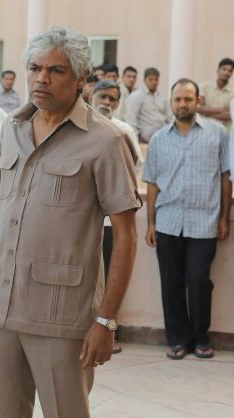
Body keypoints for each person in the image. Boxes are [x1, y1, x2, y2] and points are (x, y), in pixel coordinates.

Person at [0, 27, 141, 418]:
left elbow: (126, 236)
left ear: (80, 79)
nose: (42, 78)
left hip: (63, 317)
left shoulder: (106, 141)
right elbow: (0, 213)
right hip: (0, 309)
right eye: (35, 68)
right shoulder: (12, 128)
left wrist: (107, 321)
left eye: (56, 70)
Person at [143, 78, 231, 360]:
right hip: (168, 221)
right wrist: (151, 223)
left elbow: (224, 177)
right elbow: (152, 184)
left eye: (188, 99)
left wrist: (224, 217)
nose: (182, 104)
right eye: (178, 99)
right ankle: (179, 340)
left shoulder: (217, 134)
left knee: (198, 280)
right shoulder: (158, 139)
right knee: (171, 281)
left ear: (198, 102)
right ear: (171, 102)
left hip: (204, 221)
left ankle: (201, 338)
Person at [91, 79, 144, 354]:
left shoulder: (122, 131)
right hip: (82, 223)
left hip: (113, 221)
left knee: (111, 275)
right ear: (90, 93)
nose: (107, 102)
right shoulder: (76, 129)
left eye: (113, 98)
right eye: (103, 96)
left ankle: (108, 330)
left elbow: (133, 169)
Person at [125, 67, 173, 143]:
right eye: (150, 79)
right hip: (146, 132)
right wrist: (134, 141)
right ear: (144, 80)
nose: (154, 82)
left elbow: (171, 116)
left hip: (162, 130)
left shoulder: (162, 97)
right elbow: (131, 119)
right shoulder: (136, 96)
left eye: (156, 79)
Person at [198, 58, 234, 131]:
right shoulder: (204, 86)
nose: (226, 72)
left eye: (230, 71)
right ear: (218, 70)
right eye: (224, 69)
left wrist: (207, 114)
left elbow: (231, 115)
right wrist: (223, 111)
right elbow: (199, 108)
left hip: (225, 131)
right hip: (205, 129)